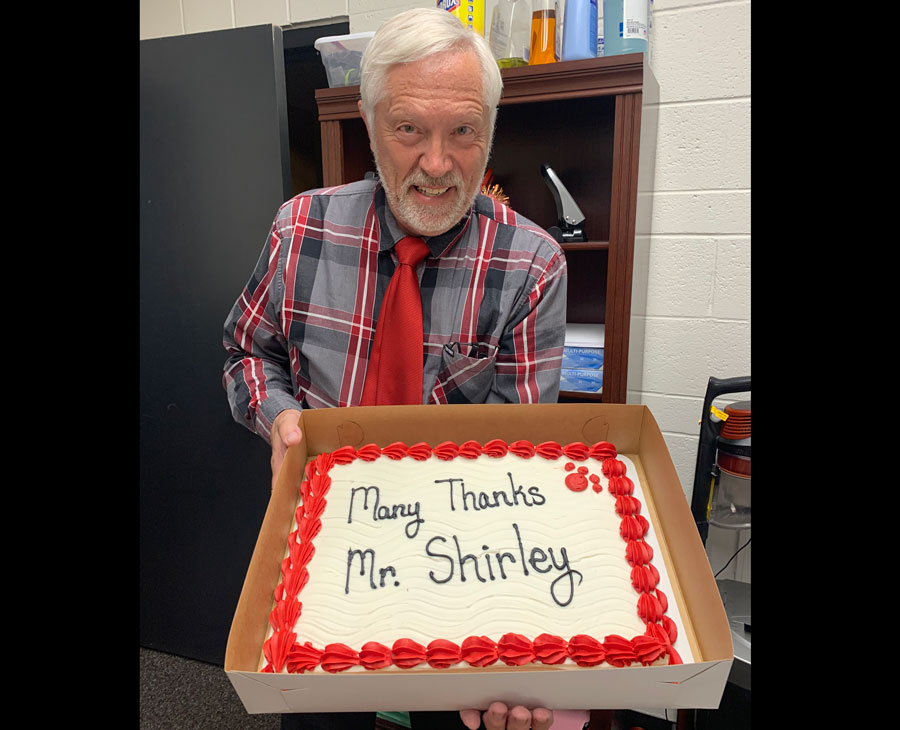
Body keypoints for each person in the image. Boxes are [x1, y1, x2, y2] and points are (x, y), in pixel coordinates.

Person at [223, 8, 566, 730]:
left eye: (462, 132)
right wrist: (278, 416)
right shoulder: (300, 229)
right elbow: (248, 352)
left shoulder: (532, 265)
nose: (438, 164)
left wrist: (518, 636)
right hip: (319, 560)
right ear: (372, 124)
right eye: (410, 129)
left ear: (489, 133)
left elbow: (521, 464)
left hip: (457, 581)